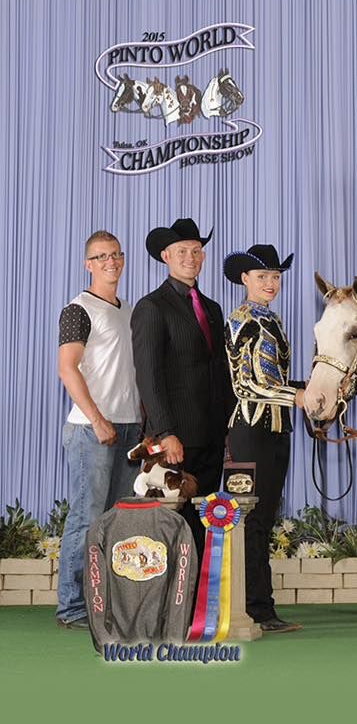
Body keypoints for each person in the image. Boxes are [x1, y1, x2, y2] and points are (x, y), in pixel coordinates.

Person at [56, 231, 142, 629]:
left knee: (117, 520)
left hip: (129, 427)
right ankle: (73, 606)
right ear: (88, 264)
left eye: (116, 255)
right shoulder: (79, 309)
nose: (110, 261)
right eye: (101, 256)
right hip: (91, 431)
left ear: (122, 260)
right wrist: (97, 418)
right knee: (87, 517)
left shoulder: (128, 310)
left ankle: (104, 601)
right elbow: (67, 368)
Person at [131, 218, 233, 554]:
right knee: (173, 525)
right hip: (176, 438)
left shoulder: (213, 309)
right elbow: (149, 376)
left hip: (211, 435)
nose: (191, 257)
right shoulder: (152, 307)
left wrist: (228, 427)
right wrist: (165, 432)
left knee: (205, 521)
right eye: (182, 251)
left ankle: (200, 588)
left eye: (196, 250)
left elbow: (220, 372)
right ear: (166, 256)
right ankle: (175, 588)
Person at [223, 244, 305, 633]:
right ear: (245, 279)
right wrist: (297, 396)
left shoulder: (272, 319)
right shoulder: (241, 320)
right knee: (250, 520)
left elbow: (274, 379)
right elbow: (246, 384)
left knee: (265, 518)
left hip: (275, 429)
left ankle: (261, 606)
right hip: (249, 430)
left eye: (275, 276)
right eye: (262, 277)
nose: (270, 283)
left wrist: (310, 389)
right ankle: (253, 608)